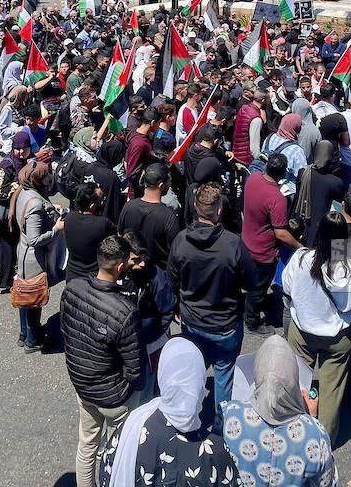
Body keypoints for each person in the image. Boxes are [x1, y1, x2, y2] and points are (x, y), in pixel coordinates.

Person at [97, 337, 239, 487]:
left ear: (163, 377)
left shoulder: (132, 426)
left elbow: (107, 472)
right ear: (200, 384)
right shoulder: (215, 452)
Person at [167, 181, 255, 422]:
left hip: (192, 321)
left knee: (193, 369)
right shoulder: (232, 244)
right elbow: (251, 280)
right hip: (225, 325)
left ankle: (187, 417)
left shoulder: (181, 241)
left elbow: (172, 280)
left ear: (196, 207)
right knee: (224, 374)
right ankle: (221, 425)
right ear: (219, 211)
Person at [282, 210, 351, 444]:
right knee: (330, 391)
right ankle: (324, 440)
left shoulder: (301, 258)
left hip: (302, 332)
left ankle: (293, 427)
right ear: (344, 239)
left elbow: (288, 288)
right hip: (337, 338)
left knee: (297, 382)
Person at [61, 234, 144, 487]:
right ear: (120, 266)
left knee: (87, 444)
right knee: (118, 447)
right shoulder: (125, 311)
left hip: (83, 384)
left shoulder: (72, 288)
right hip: (114, 395)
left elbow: (67, 331)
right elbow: (134, 369)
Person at [221, 334, 337, 487]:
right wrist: (312, 417)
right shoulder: (316, 434)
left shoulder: (230, 414)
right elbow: (327, 483)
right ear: (295, 376)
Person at [241, 153, 301, 334]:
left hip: (246, 241)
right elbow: (281, 234)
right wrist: (300, 246)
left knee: (250, 283)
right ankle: (252, 323)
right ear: (283, 174)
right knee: (257, 289)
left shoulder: (253, 179)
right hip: (263, 252)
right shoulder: (277, 199)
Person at [10, 160, 61, 353]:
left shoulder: (23, 191)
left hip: (23, 254)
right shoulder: (35, 204)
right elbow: (35, 239)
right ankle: (33, 340)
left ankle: (24, 334)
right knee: (33, 299)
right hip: (33, 258)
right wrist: (56, 229)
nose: (49, 177)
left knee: (25, 297)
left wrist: (49, 209)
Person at [117, 163, 180, 269]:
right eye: (169, 182)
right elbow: (175, 251)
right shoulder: (168, 216)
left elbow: (120, 236)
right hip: (157, 273)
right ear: (161, 186)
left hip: (133, 269)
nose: (170, 185)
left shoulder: (128, 207)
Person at [62, 181, 117, 280]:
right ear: (91, 205)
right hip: (93, 277)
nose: (103, 201)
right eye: (100, 199)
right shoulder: (102, 224)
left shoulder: (69, 218)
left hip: (72, 274)